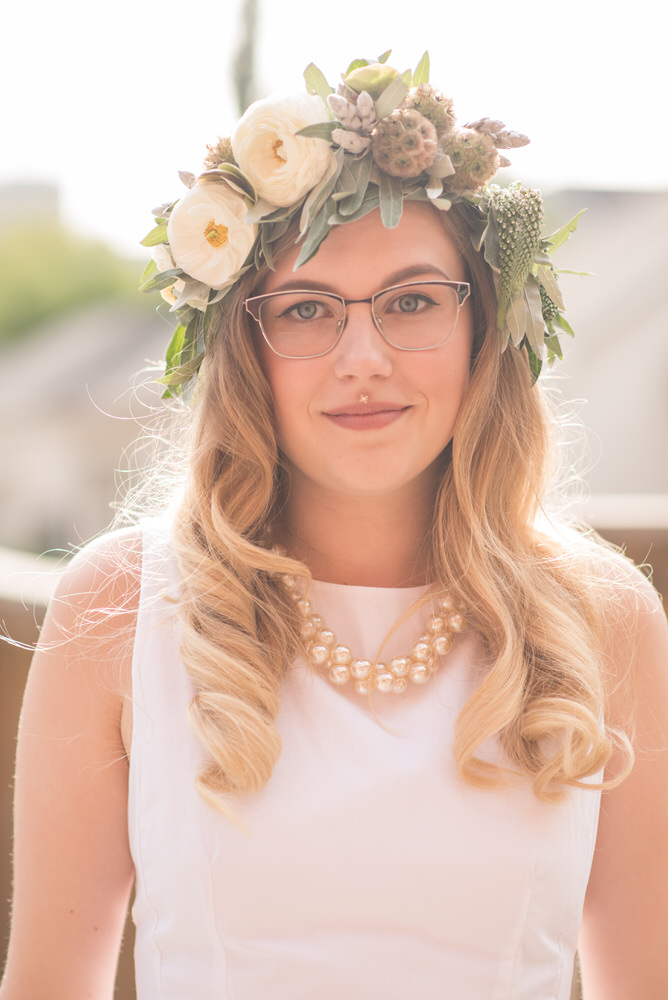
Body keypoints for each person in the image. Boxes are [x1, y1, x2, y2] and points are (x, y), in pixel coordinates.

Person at [2, 50, 667, 1000]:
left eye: (411, 302)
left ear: (486, 330)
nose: (364, 357)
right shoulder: (121, 607)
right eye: (308, 310)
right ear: (246, 349)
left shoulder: (603, 620)